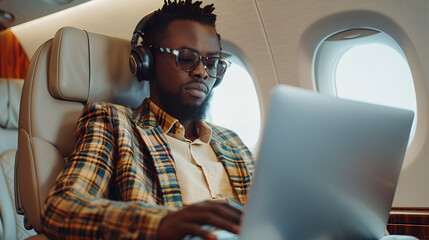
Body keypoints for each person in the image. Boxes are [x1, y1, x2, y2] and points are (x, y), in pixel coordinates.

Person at [41, 0, 255, 239]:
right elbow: (62, 208)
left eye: (212, 63)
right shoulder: (115, 123)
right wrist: (160, 223)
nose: (202, 72)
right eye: (185, 58)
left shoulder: (231, 140)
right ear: (147, 62)